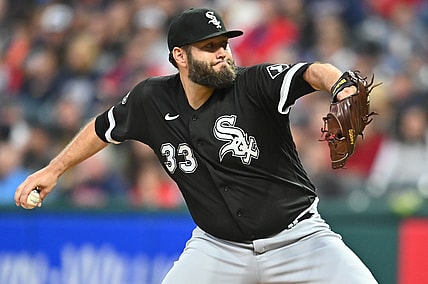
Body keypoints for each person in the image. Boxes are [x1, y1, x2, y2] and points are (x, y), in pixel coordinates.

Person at [15, 7, 377, 284]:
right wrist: (53, 169)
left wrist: (341, 84)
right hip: (218, 248)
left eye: (224, 44)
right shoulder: (151, 99)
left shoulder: (252, 84)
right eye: (209, 47)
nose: (222, 53)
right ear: (180, 56)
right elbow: (102, 128)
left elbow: (310, 72)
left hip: (298, 239)